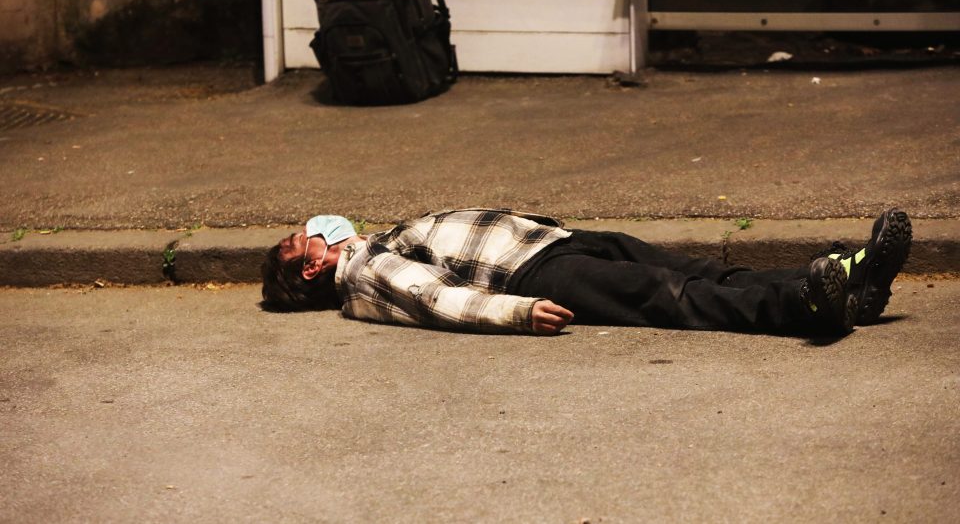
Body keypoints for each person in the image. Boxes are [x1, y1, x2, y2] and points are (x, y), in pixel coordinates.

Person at [260, 208, 912, 337]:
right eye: (304, 238)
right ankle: (806, 305)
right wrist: (515, 312)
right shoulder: (365, 273)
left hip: (555, 241)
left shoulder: (371, 242)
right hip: (534, 273)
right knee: (674, 296)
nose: (317, 228)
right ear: (313, 266)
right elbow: (435, 296)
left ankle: (854, 279)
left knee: (700, 267)